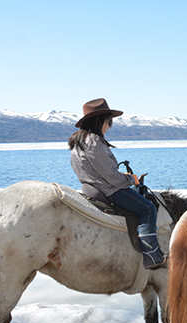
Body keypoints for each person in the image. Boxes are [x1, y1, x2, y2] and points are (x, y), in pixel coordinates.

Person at [68, 98, 166, 269]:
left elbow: (102, 170)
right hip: (108, 190)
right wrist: (132, 179)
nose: (107, 128)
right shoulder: (94, 141)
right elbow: (112, 178)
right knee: (148, 208)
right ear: (100, 121)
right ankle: (152, 255)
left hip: (92, 188)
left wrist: (123, 176)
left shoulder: (78, 142)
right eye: (107, 123)